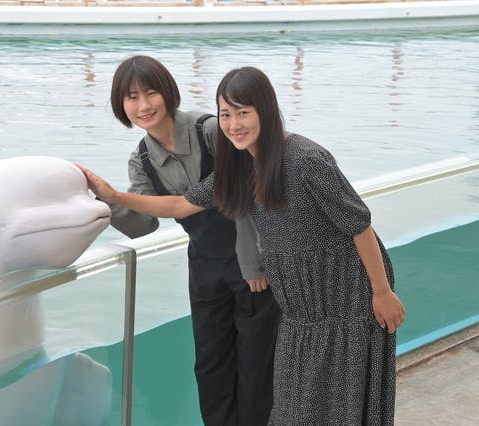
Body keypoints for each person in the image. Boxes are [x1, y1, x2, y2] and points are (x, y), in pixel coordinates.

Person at [78, 66, 406, 425]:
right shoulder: (235, 171)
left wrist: (382, 291)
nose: (233, 124)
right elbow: (178, 205)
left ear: (265, 110)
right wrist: (110, 196)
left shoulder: (307, 160)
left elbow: (359, 225)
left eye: (243, 113)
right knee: (296, 405)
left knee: (347, 402)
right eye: (226, 115)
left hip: (343, 292)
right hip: (299, 305)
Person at [104, 56, 280, 426]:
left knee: (255, 367)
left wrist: (252, 263)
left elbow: (250, 196)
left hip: (252, 263)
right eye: (131, 98)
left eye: (151, 93)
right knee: (211, 367)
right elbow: (143, 224)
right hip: (203, 268)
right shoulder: (141, 158)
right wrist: (102, 203)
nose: (144, 106)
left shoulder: (211, 130)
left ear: (168, 93)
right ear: (121, 105)